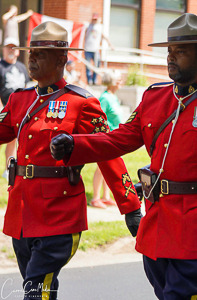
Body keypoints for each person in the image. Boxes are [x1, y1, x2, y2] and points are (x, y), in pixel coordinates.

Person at [50, 13, 197, 300]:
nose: (171, 58)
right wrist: (76, 144)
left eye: (180, 52)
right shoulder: (155, 98)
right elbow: (119, 139)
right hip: (158, 222)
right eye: (169, 51)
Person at [0, 21, 141, 300]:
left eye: (40, 54)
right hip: (22, 214)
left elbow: (106, 150)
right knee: (37, 288)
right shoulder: (20, 99)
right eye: (31, 53)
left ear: (62, 59)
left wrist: (130, 206)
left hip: (58, 215)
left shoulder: (81, 102)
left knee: (36, 291)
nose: (32, 59)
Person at [91, 70, 123, 208]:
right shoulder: (104, 98)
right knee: (101, 167)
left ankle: (106, 196)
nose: (121, 81)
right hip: (106, 137)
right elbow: (98, 117)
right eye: (118, 79)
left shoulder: (113, 96)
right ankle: (95, 198)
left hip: (114, 137)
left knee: (110, 167)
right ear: (112, 81)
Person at [0, 36, 30, 179]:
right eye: (8, 47)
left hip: (19, 111)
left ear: (18, 51)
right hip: (2, 109)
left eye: (14, 47)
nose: (11, 50)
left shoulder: (22, 67)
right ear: (3, 49)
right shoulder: (0, 66)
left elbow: (25, 88)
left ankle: (7, 169)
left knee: (13, 140)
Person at [84, 13, 114, 85]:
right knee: (88, 66)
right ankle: (89, 81)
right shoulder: (88, 26)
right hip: (87, 49)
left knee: (97, 65)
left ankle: (94, 80)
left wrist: (110, 45)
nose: (94, 21)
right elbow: (83, 34)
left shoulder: (100, 27)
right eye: (93, 19)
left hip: (95, 49)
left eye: (96, 19)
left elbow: (104, 36)